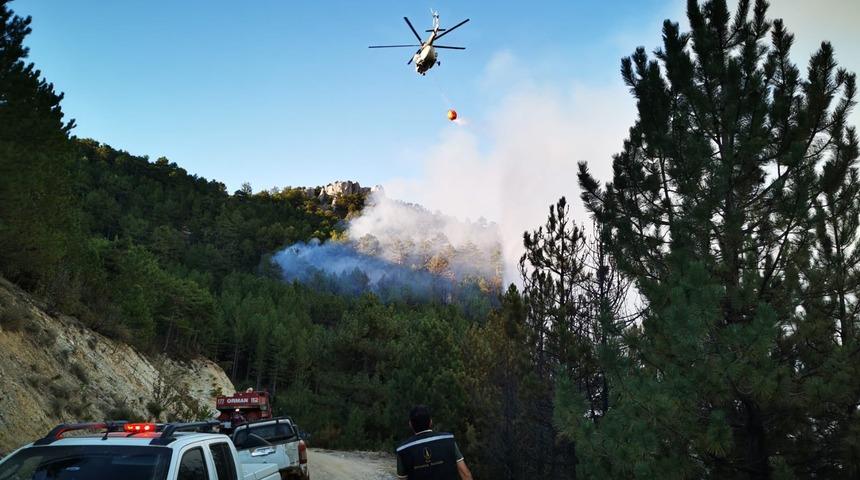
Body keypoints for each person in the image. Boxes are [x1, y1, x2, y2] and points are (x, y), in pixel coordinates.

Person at [395, 405, 473, 480]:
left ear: (410, 424)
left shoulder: (403, 450)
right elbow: (465, 474)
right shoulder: (448, 440)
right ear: (430, 422)